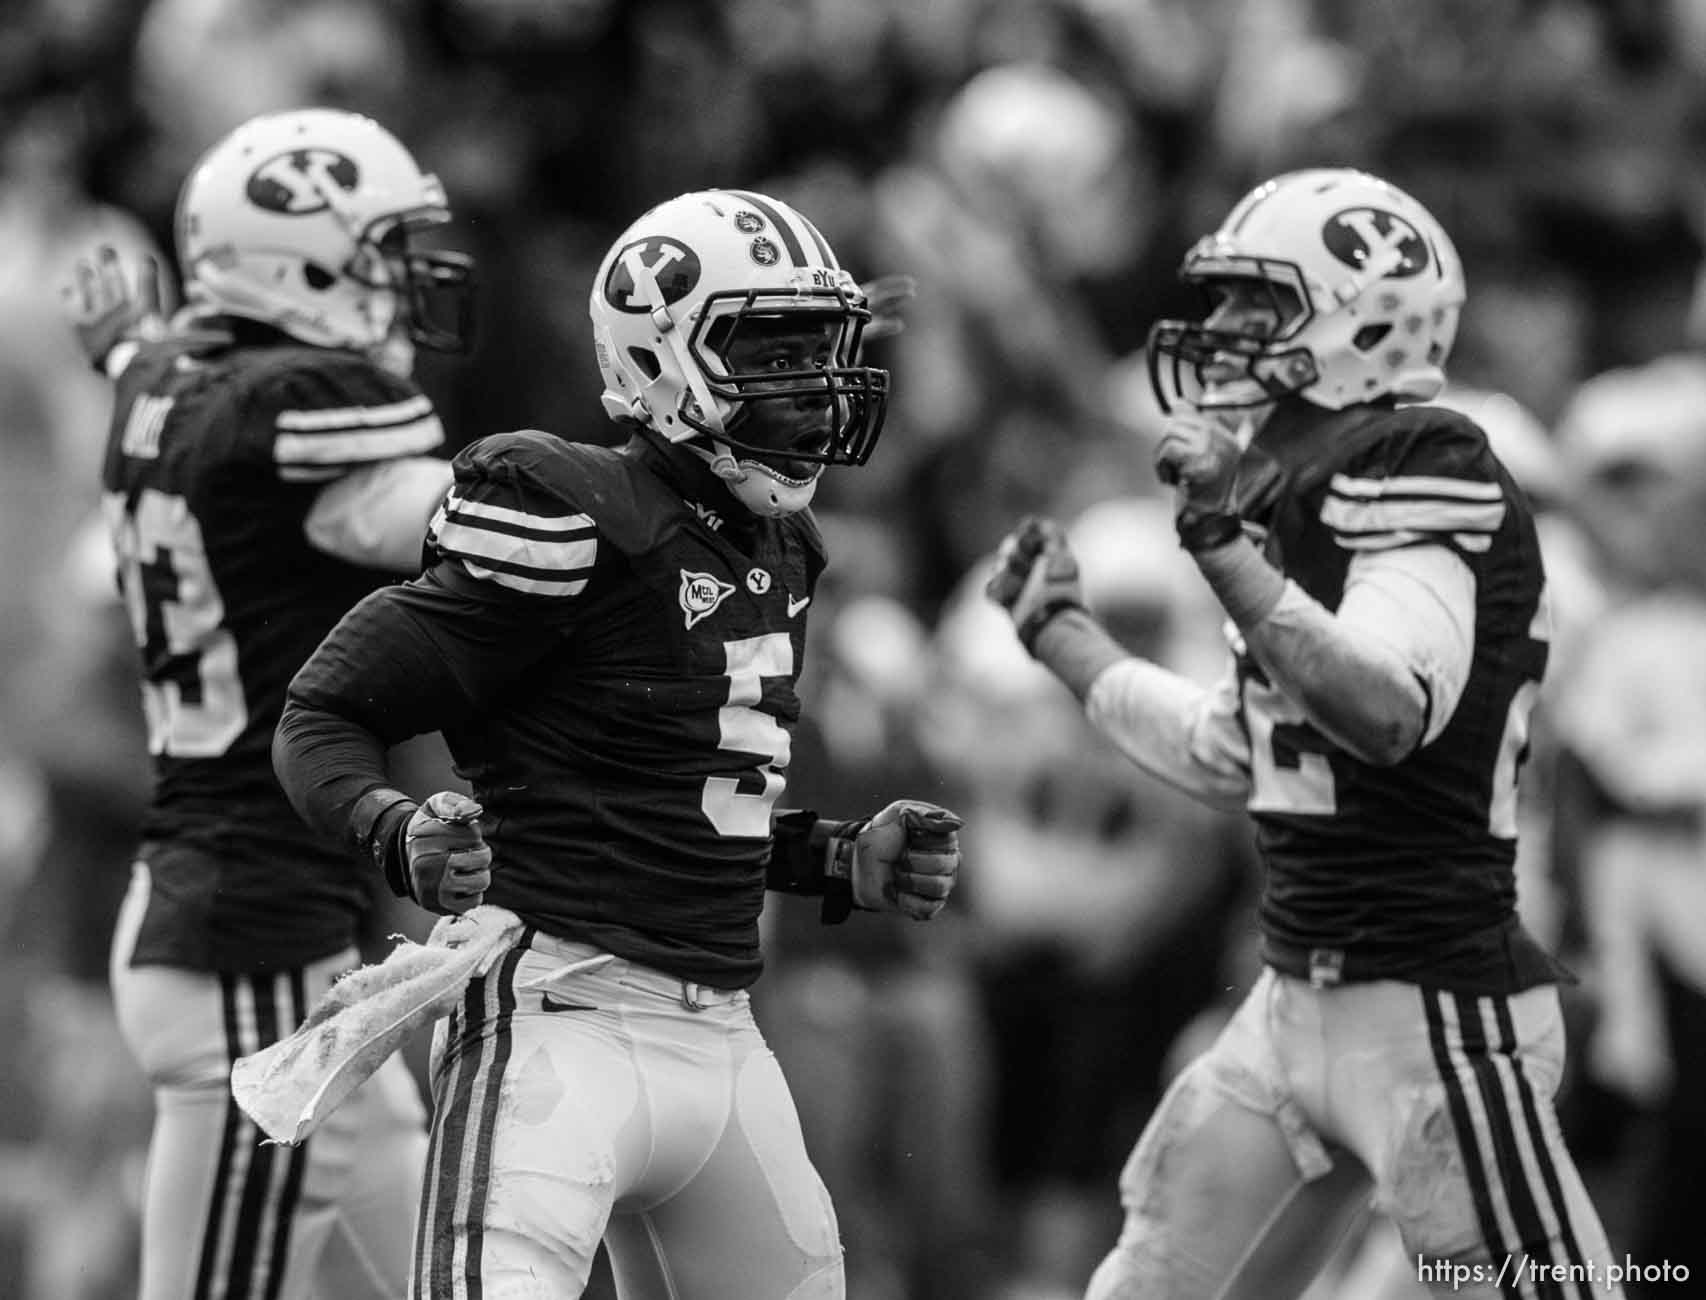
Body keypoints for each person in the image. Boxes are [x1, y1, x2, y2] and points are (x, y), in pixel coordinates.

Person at [269, 187, 963, 1300]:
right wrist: (395, 829)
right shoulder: (567, 508)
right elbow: (323, 711)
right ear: (661, 353)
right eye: (769, 352)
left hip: (724, 1037)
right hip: (556, 1016)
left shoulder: (782, 547)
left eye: (817, 352)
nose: (810, 390)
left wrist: (833, 858)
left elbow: (682, 793)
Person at [986, 167, 1624, 1299]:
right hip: (1290, 1000)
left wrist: (1226, 552)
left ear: (1364, 318)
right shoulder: (1294, 487)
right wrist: (1063, 635)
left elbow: (1383, 710)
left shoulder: (1420, 460)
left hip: (1436, 1014)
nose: (1224, 331)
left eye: (1258, 305)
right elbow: (1242, 751)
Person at [66, 106, 475, 1300]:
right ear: (302, 263)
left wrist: (125, 345)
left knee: (449, 1268)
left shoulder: (166, 383)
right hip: (250, 944)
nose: (403, 288)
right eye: (379, 256)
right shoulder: (288, 412)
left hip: (249, 929)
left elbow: (169, 380)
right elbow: (442, 517)